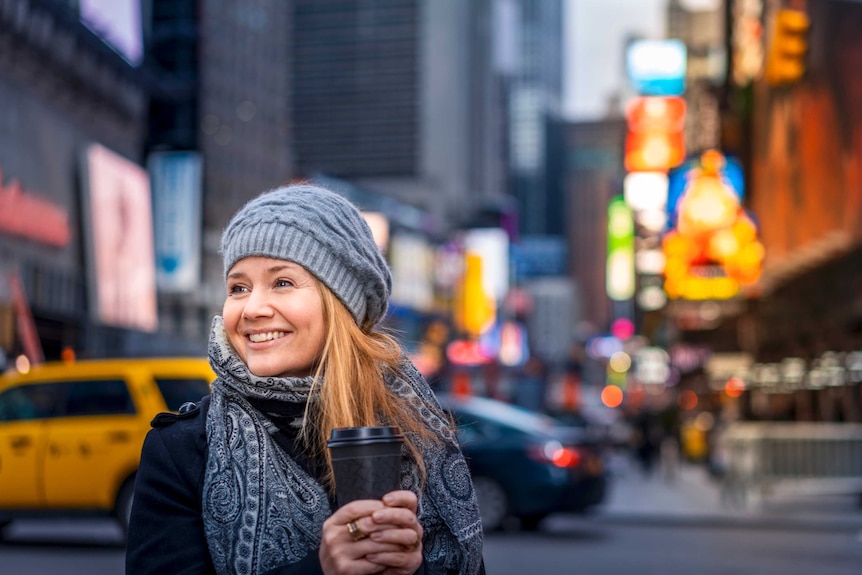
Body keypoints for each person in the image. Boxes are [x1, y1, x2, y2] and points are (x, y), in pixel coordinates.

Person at [126, 184, 485, 575]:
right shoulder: (181, 450)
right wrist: (321, 570)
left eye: (282, 282)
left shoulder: (414, 432)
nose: (253, 308)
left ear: (341, 303)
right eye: (238, 288)